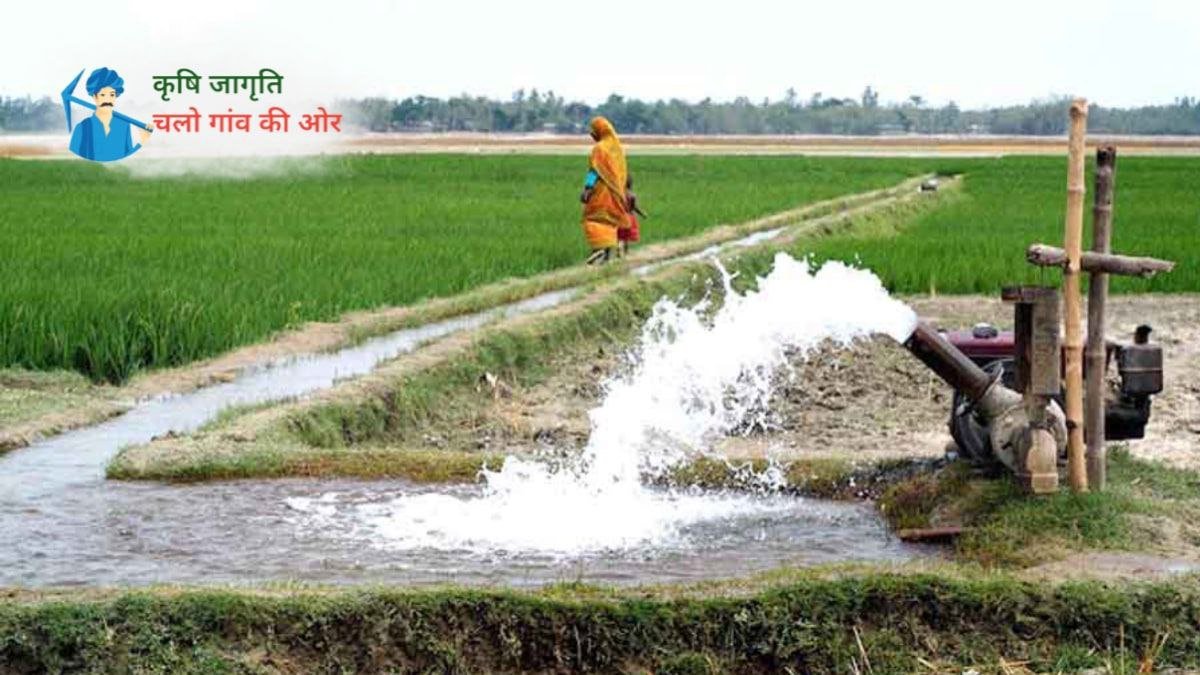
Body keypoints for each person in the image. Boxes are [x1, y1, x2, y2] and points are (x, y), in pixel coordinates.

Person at [68, 67, 152, 163]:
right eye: (103, 95)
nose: (108, 100)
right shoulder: (82, 128)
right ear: (94, 96)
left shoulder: (123, 126)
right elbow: (77, 159)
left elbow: (125, 157)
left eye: (112, 95)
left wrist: (142, 141)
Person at [579, 116, 628, 264]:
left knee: (592, 219)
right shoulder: (617, 149)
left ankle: (597, 250)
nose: (591, 135)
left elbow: (594, 171)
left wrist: (587, 189)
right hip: (616, 193)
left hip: (601, 191)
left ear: (599, 131)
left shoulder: (599, 148)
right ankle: (607, 253)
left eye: (593, 131)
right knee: (610, 222)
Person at [618, 175, 647, 257]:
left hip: (620, 216)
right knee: (626, 236)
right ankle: (626, 252)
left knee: (619, 234)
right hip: (629, 217)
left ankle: (619, 247)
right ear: (631, 184)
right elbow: (635, 207)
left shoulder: (619, 194)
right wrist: (643, 214)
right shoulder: (632, 195)